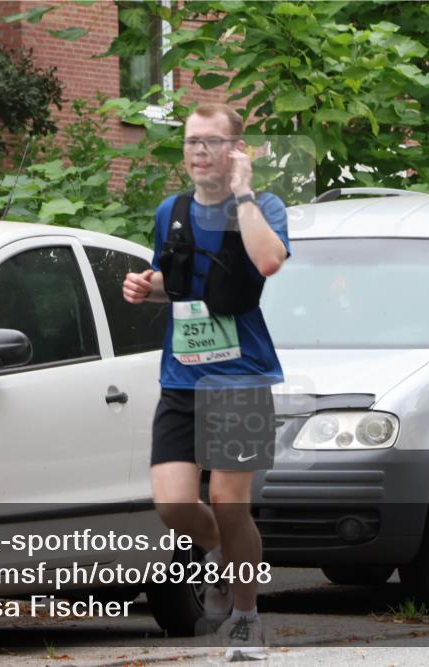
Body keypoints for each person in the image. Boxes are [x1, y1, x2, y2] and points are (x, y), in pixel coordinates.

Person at [121, 103, 290, 661]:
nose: (197, 152)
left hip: (240, 378)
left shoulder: (264, 207)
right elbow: (181, 285)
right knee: (173, 504)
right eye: (191, 142)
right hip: (182, 378)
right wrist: (148, 287)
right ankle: (217, 548)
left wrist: (241, 194)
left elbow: (267, 262)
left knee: (228, 500)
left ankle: (246, 617)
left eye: (211, 142)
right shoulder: (171, 210)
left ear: (235, 150)